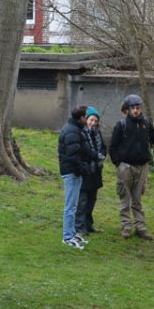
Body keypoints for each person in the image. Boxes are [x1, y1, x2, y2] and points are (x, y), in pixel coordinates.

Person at [109, 94, 154, 240]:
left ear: (140, 108)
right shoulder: (121, 125)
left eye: (137, 107)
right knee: (125, 198)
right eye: (132, 108)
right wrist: (118, 164)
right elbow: (112, 147)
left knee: (137, 199)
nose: (135, 110)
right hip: (125, 166)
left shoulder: (146, 123)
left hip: (143, 167)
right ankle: (126, 227)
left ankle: (140, 228)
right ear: (127, 109)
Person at [58, 105, 92, 250]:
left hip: (75, 172)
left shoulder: (76, 129)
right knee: (70, 206)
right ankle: (67, 237)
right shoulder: (72, 131)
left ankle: (72, 233)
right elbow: (73, 156)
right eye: (86, 116)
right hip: (72, 172)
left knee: (73, 205)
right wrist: (83, 168)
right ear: (82, 117)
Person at [75, 106, 106, 235]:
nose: (93, 123)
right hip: (85, 171)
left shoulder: (97, 133)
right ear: (86, 119)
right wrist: (94, 157)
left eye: (95, 121)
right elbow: (83, 151)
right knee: (82, 201)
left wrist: (101, 157)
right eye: (91, 120)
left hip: (96, 171)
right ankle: (79, 226)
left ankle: (89, 224)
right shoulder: (81, 133)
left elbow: (103, 148)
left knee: (92, 200)